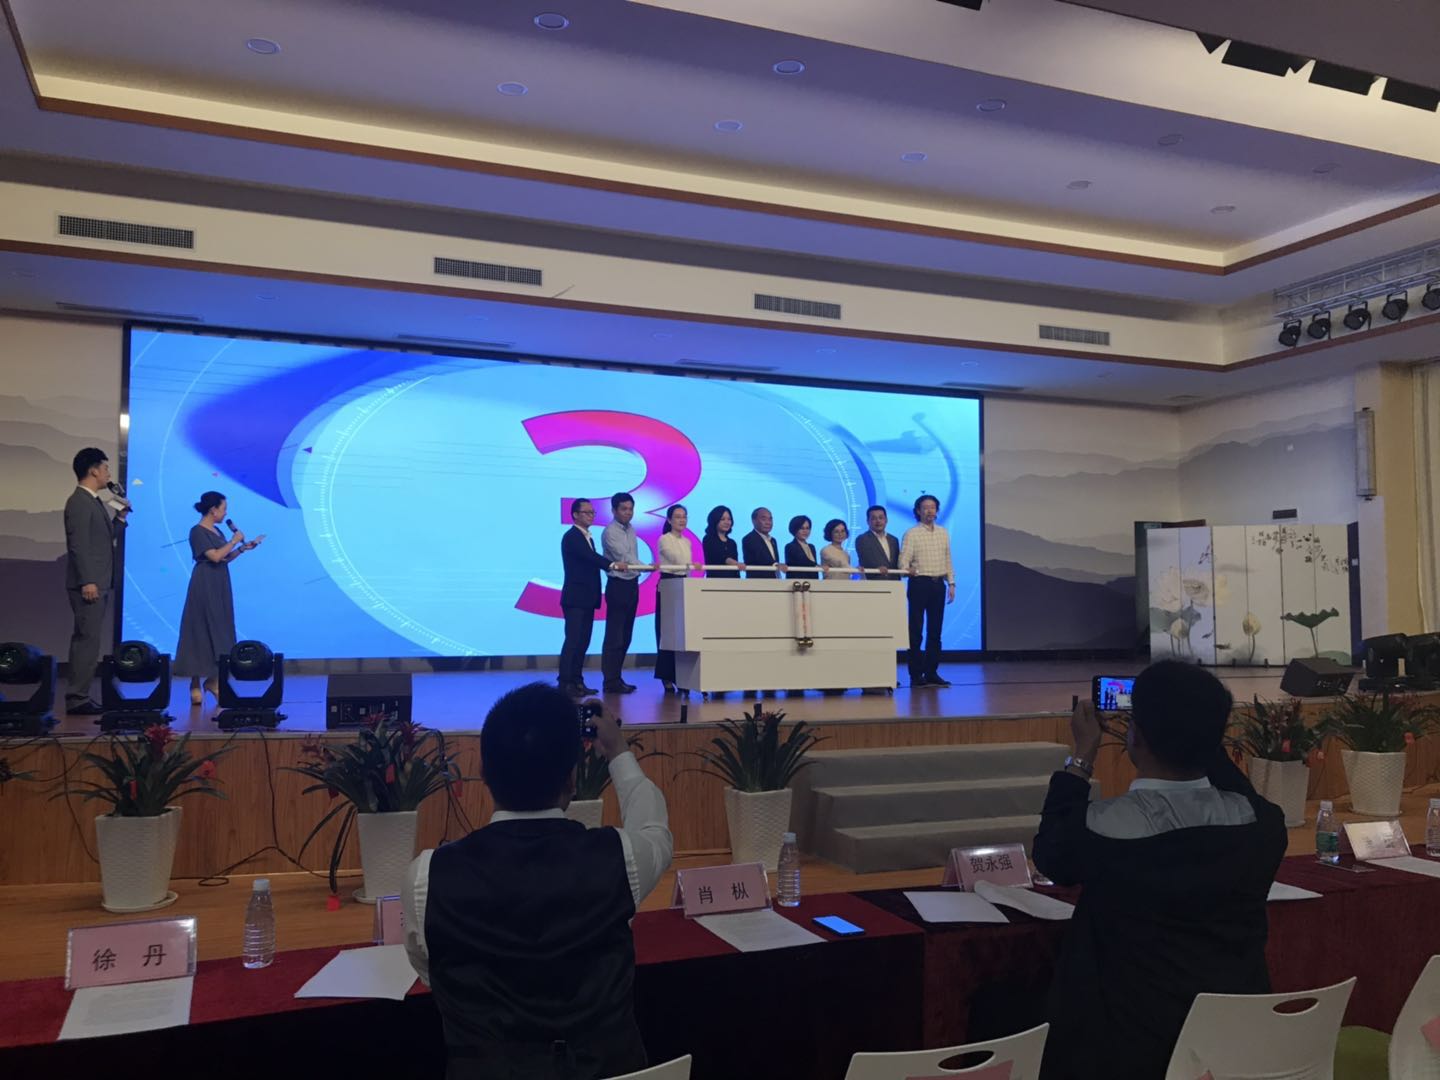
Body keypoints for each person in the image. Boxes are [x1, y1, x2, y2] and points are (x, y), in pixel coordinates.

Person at [402, 685, 672, 1080]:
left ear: (484, 774)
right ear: (572, 778)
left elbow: (433, 973)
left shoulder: (427, 876)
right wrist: (618, 752)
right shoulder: (620, 858)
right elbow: (654, 831)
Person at [1033, 661, 1287, 1080]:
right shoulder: (1263, 827)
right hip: (1232, 1046)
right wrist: (1202, 737)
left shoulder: (1099, 830)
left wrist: (1082, 755)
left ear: (1135, 736)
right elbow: (1243, 793)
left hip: (1123, 1051)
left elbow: (1051, 855)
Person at [173, 492, 264, 706]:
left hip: (220, 582)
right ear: (213, 510)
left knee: (221, 628)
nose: (225, 513)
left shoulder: (218, 531)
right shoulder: (197, 531)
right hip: (204, 582)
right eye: (223, 509)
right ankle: (195, 682)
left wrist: (242, 548)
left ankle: (214, 680)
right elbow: (214, 556)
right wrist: (233, 540)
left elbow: (224, 557)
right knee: (199, 627)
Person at [63, 448, 127, 714]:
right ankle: (77, 698)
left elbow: (103, 539)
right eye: (106, 468)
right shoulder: (79, 501)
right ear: (93, 470)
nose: (108, 474)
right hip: (89, 584)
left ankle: (81, 696)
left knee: (91, 640)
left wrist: (121, 517)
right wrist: (87, 580)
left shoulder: (93, 501)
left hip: (99, 581)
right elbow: (78, 545)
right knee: (86, 641)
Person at [559, 499, 626, 698]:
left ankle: (577, 681)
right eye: (586, 512)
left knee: (583, 641)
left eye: (592, 512)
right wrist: (612, 565)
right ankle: (565, 682)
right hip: (575, 599)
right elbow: (590, 557)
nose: (591, 516)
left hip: (587, 598)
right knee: (573, 641)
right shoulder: (572, 536)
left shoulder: (587, 536)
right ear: (575, 515)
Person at [898, 494, 954, 688]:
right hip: (919, 583)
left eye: (933, 507)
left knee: (935, 632)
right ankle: (915, 675)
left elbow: (948, 559)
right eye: (925, 507)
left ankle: (931, 672)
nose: (930, 511)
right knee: (916, 631)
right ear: (918, 511)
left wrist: (951, 583)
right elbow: (903, 561)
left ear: (937, 511)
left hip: (938, 584)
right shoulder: (911, 533)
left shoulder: (943, 532)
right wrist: (907, 569)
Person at [599, 492, 641, 695]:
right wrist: (647, 567)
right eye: (624, 509)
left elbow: (633, 557)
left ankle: (617, 677)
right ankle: (610, 680)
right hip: (618, 585)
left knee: (626, 635)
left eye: (630, 509)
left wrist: (643, 567)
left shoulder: (631, 529)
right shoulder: (610, 532)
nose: (628, 512)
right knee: (614, 636)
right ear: (614, 510)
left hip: (632, 584)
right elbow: (623, 558)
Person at [654, 504, 698, 693]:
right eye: (678, 517)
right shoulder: (664, 539)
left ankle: (680, 675)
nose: (682, 520)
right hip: (668, 584)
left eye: (684, 516)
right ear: (669, 520)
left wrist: (690, 568)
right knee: (666, 632)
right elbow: (677, 561)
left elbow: (687, 568)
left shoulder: (687, 541)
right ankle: (666, 675)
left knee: (681, 633)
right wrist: (690, 565)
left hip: (683, 585)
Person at [855, 504, 899, 576]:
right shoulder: (862, 539)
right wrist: (876, 568)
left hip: (894, 580)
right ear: (867, 521)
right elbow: (865, 560)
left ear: (886, 520)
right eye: (874, 518)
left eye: (881, 518)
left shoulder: (894, 540)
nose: (878, 521)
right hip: (875, 580)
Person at [741, 507, 785, 579]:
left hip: (774, 580)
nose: (768, 523)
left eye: (770, 519)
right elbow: (759, 558)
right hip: (758, 581)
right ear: (753, 521)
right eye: (764, 519)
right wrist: (776, 565)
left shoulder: (773, 540)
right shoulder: (749, 538)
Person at [701, 505, 743, 578]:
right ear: (715, 520)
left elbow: (736, 570)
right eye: (722, 519)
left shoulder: (732, 543)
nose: (727, 522)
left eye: (729, 519)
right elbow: (720, 557)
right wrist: (736, 563)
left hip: (733, 581)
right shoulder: (708, 539)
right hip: (715, 581)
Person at [784, 515, 819, 579]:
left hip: (814, 582)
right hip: (797, 582)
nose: (805, 531)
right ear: (795, 529)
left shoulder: (812, 547)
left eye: (807, 528)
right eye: (802, 528)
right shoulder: (790, 546)